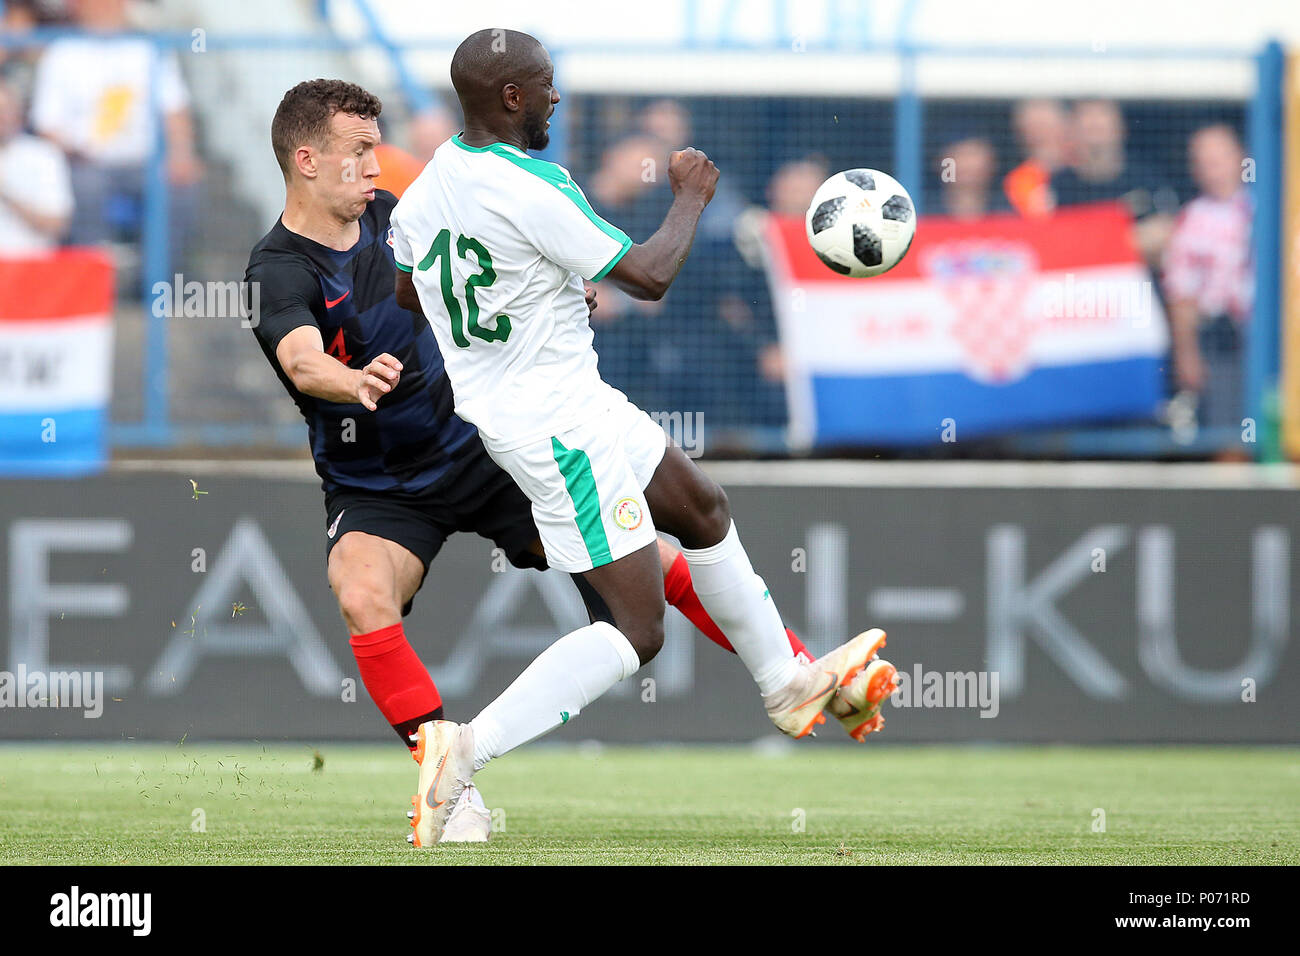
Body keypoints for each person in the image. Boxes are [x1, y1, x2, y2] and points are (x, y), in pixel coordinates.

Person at [244, 80, 844, 846]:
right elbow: (300, 360)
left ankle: (800, 670)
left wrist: (548, 298)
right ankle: (450, 788)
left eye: (375, 147)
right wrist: (352, 379)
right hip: (379, 482)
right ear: (306, 160)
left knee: (649, 560)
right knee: (362, 594)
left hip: (483, 443)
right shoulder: (277, 268)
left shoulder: (400, 216)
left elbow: (490, 271)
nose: (374, 166)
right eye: (358, 152)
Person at [391, 29, 897, 846]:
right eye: (546, 84)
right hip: (553, 425)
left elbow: (411, 293)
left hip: (572, 398)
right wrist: (691, 193)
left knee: (700, 506)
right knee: (638, 629)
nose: (558, 97)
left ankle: (788, 684)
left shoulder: (427, 187)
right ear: (512, 98)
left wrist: (537, 291)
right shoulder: (536, 185)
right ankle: (462, 752)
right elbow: (651, 278)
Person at [28, 0, 202, 249]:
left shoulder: (149, 49)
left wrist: (181, 154)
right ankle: (94, 275)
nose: (105, 8)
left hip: (142, 163)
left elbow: (175, 109)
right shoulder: (61, 53)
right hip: (83, 163)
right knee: (86, 187)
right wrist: (75, 149)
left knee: (179, 189)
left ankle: (158, 280)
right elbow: (46, 124)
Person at [1162, 124, 1254, 440]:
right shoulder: (1191, 219)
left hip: (1272, 338)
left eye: (1219, 159)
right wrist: (1187, 353)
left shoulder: (1270, 208)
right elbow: (1180, 293)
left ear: (1241, 159)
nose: (1213, 170)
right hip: (1222, 343)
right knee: (1230, 432)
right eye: (1203, 163)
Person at [1049, 99, 1177, 266]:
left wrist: (1097, 242)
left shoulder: (1146, 180)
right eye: (1086, 118)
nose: (1094, 123)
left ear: (1120, 128)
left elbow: (1167, 234)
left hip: (1135, 288)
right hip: (1078, 286)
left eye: (1102, 116)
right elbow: (1049, 241)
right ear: (1072, 130)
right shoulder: (1058, 185)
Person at [0, 79, 72, 253]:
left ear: (18, 114)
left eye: (4, 112)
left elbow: (57, 223)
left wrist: (6, 194)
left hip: (31, 267)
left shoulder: (43, 155)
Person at [1003, 98, 1070, 218]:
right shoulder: (1019, 179)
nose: (1040, 134)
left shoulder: (1082, 169)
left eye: (1044, 125)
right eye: (1033, 126)